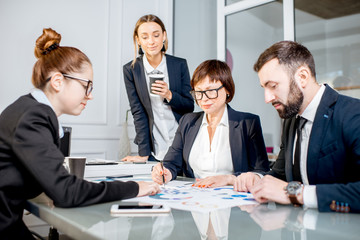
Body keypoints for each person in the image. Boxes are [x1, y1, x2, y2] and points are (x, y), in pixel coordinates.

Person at [0, 28, 160, 239]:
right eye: (87, 86)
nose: (90, 96)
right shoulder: (33, 117)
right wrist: (133, 188)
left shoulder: (30, 110)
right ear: (58, 81)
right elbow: (66, 192)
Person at [234, 41, 360, 213]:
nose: (267, 98)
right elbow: (279, 174)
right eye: (264, 88)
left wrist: (297, 194)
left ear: (302, 76)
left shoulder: (353, 114)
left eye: (273, 86)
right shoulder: (291, 120)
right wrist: (257, 179)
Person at [152, 60, 269, 187]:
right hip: (195, 197)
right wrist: (165, 172)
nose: (204, 98)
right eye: (199, 92)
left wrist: (229, 179)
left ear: (227, 89)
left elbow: (261, 172)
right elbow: (172, 163)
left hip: (232, 199)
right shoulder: (187, 122)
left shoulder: (247, 123)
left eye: (211, 91)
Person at [122, 14, 194, 162]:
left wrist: (169, 94)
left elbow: (189, 105)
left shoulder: (179, 65)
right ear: (138, 40)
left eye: (156, 35)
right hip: (156, 149)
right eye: (145, 37)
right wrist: (144, 154)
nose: (151, 42)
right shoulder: (131, 70)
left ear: (164, 36)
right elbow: (138, 112)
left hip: (184, 145)